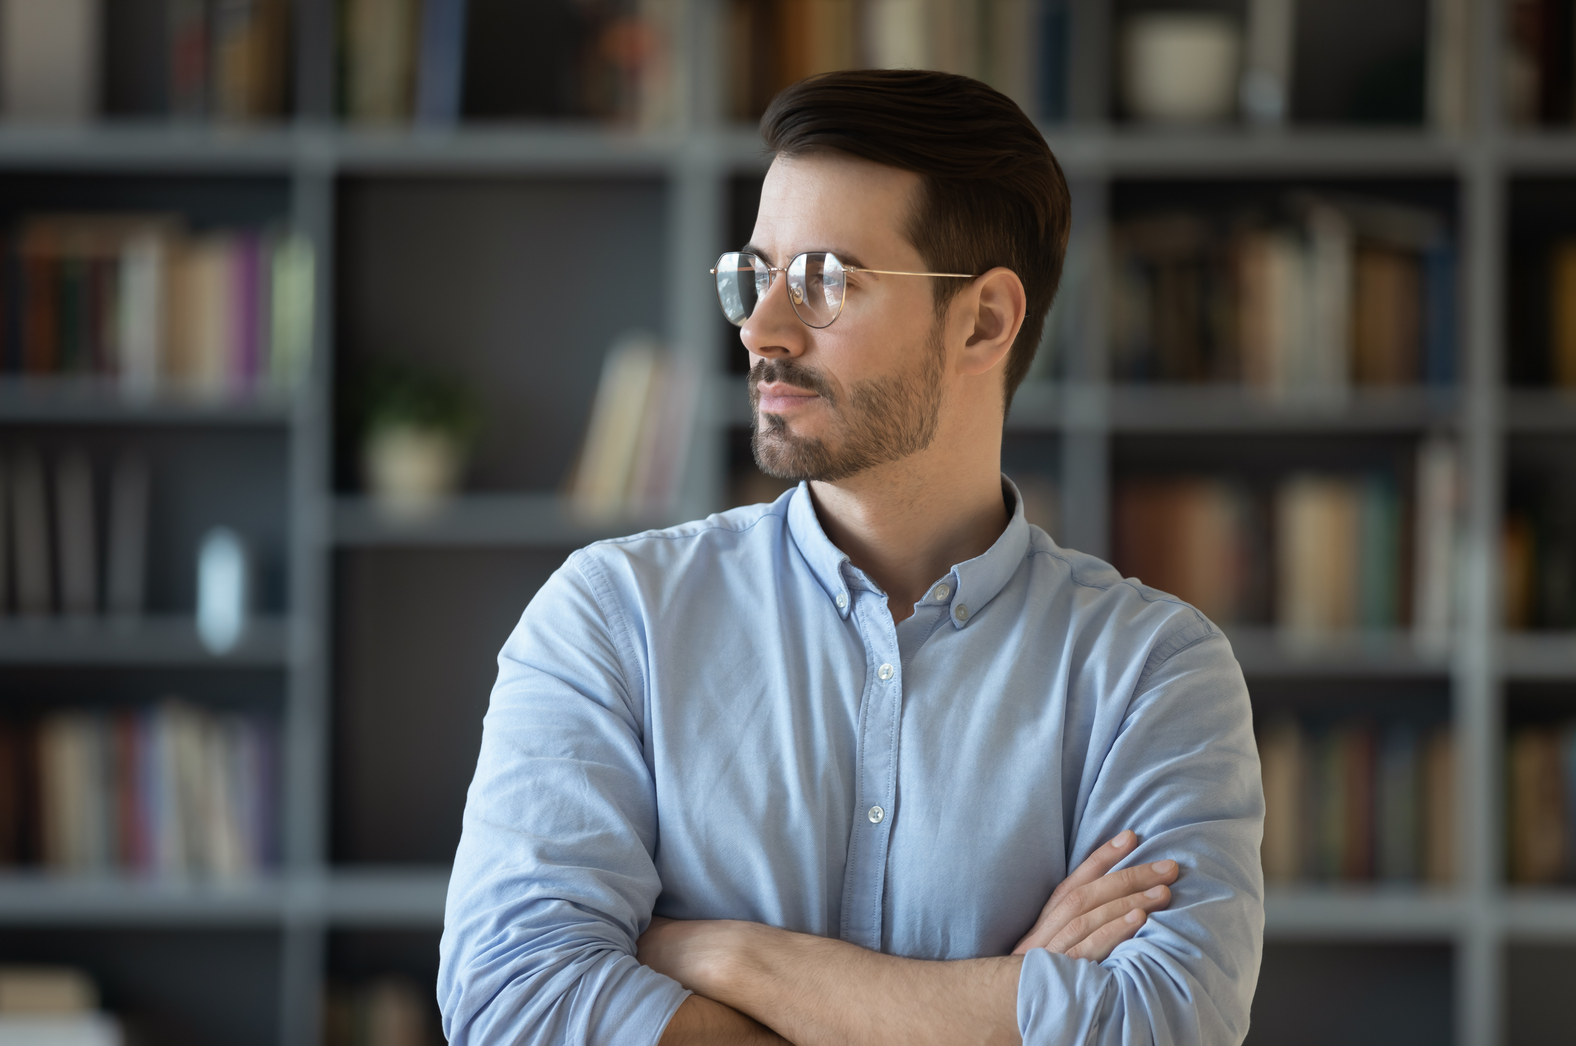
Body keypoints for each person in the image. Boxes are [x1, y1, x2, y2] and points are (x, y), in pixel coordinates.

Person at [438, 70, 1263, 1046]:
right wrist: (1002, 1001)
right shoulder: (614, 617)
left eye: (826, 280)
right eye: (753, 274)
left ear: (984, 321)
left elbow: (1163, 1024)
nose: (761, 330)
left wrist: (724, 956)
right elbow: (514, 1003)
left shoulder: (1151, 671)